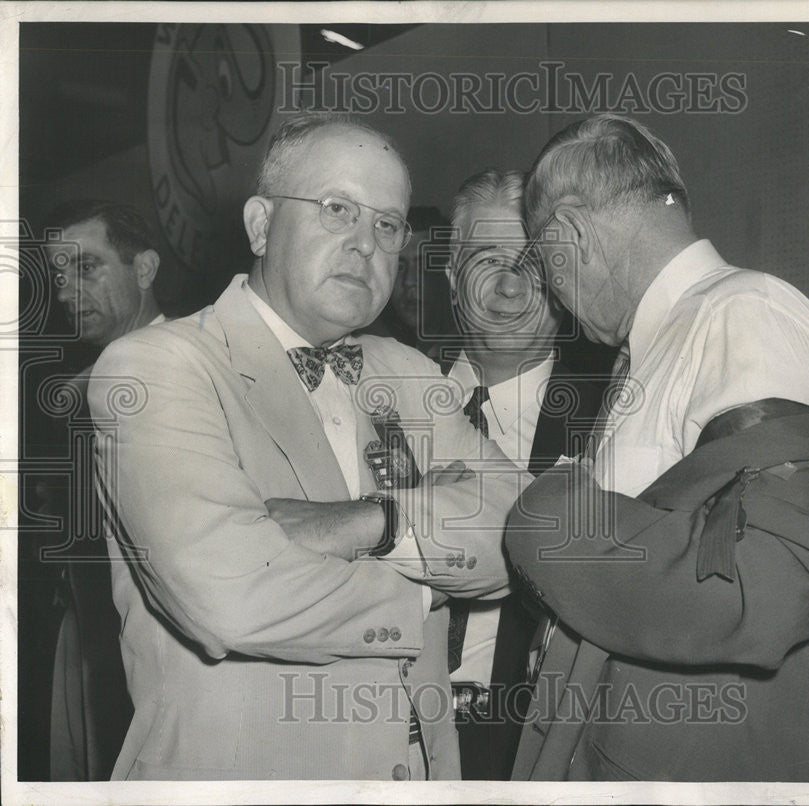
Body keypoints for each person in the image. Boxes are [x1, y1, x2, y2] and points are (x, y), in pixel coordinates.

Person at [87, 112, 524, 780]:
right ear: (261, 225)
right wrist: (425, 591)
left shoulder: (404, 371)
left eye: (387, 224)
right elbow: (230, 597)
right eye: (336, 209)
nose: (365, 245)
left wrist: (374, 523)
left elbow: (519, 528)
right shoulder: (156, 368)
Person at [504, 114, 809, 781]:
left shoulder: (744, 315)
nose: (552, 296)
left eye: (544, 265)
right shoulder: (673, 339)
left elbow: (771, 584)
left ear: (569, 235)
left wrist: (544, 515)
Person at [441, 169, 604, 779]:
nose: (510, 287)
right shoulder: (376, 392)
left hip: (531, 749)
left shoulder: (612, 418)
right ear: (451, 274)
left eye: (534, 265)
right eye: (487, 260)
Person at [41, 200, 165, 780]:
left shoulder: (193, 371)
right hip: (86, 627)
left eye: (85, 268)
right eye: (59, 274)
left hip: (161, 641)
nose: (66, 290)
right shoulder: (76, 389)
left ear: (143, 269)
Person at [365, 206, 453, 361]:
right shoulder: (375, 355)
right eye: (399, 266)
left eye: (424, 265)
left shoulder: (474, 356)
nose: (409, 281)